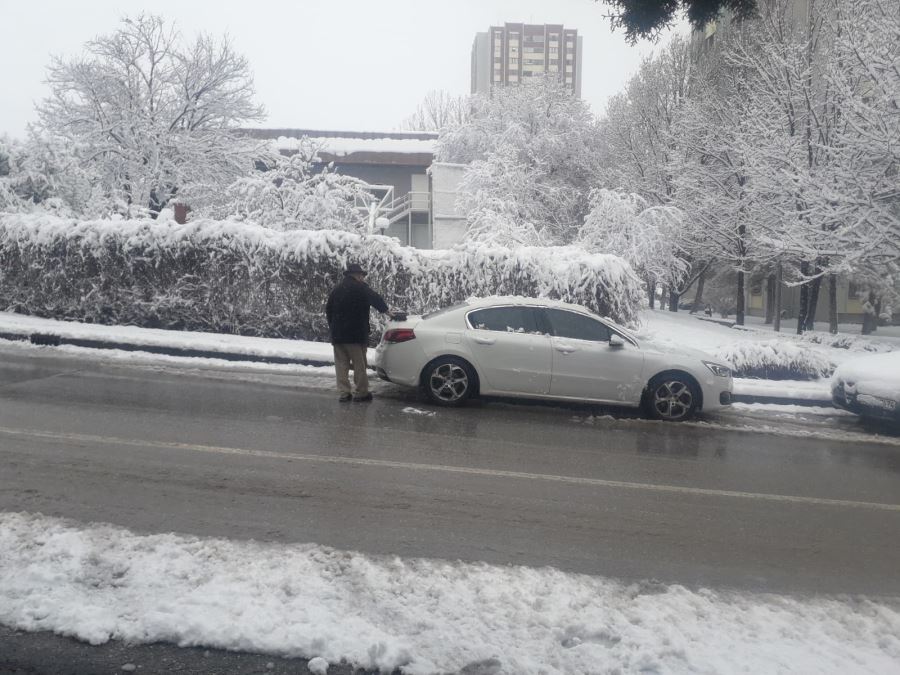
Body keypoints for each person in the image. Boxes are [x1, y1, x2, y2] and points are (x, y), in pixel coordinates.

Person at [325, 263, 389, 402]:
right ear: (357, 275)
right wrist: (388, 312)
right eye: (361, 275)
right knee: (359, 365)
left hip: (338, 336)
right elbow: (376, 299)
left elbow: (328, 310)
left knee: (341, 365)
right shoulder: (361, 288)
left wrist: (334, 328)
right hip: (356, 335)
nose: (363, 278)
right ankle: (361, 393)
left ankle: (344, 393)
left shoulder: (337, 289)